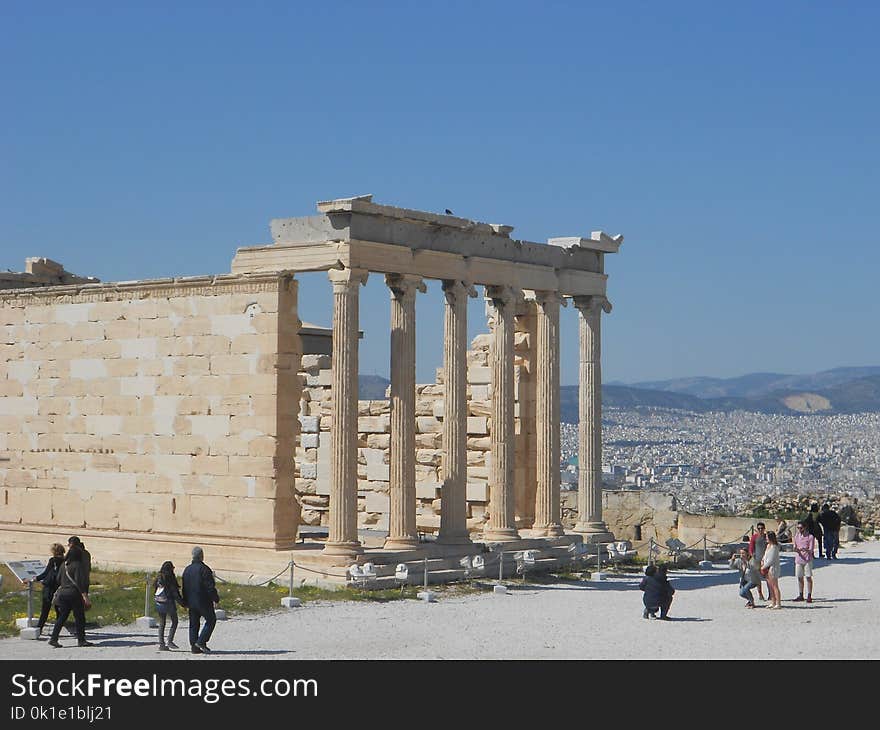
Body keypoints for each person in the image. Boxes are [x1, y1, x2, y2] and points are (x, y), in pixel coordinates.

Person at [47, 541, 93, 647]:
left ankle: (54, 638)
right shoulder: (78, 565)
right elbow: (80, 582)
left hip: (63, 593)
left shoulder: (64, 565)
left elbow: (58, 579)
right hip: (74, 593)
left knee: (62, 617)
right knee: (80, 617)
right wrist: (85, 596)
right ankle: (81, 640)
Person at [182, 546, 220, 654]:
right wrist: (215, 599)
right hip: (203, 601)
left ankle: (194, 647)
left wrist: (185, 601)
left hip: (191, 601)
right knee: (211, 620)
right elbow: (210, 587)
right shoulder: (204, 569)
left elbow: (184, 587)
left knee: (193, 624)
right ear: (202, 556)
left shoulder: (187, 569)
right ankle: (201, 641)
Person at [23, 543, 65, 637]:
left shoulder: (53, 560)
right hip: (59, 586)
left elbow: (45, 573)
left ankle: (40, 628)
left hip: (49, 587)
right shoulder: (65, 561)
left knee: (45, 609)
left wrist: (34, 579)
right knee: (59, 609)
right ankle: (57, 631)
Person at [154, 561, 186, 651]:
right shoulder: (170, 578)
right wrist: (183, 603)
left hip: (159, 603)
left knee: (162, 623)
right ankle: (170, 641)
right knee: (174, 621)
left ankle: (161, 643)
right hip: (169, 603)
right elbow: (175, 593)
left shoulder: (159, 577)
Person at [792, 521, 815, 603]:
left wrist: (806, 550)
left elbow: (811, 549)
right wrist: (796, 549)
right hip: (799, 559)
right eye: (798, 528)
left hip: (807, 559)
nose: (799, 529)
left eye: (801, 528)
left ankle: (809, 595)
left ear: (805, 527)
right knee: (799, 577)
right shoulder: (796, 536)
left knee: (808, 577)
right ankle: (801, 594)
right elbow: (794, 546)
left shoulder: (810, 537)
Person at [761, 531, 782, 609]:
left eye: (767, 537)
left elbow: (771, 560)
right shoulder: (768, 546)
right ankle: (773, 602)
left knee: (775, 586)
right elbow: (765, 556)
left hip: (773, 568)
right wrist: (762, 561)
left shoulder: (774, 547)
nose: (766, 538)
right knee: (770, 586)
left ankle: (778, 603)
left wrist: (763, 567)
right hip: (767, 568)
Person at [747, 523, 768, 601]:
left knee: (768, 578)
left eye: (762, 528)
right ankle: (760, 594)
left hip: (766, 560)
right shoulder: (754, 537)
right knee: (758, 578)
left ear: (764, 528)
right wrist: (752, 556)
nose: (760, 530)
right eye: (759, 528)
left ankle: (771, 594)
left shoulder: (767, 537)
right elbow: (751, 548)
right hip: (757, 560)